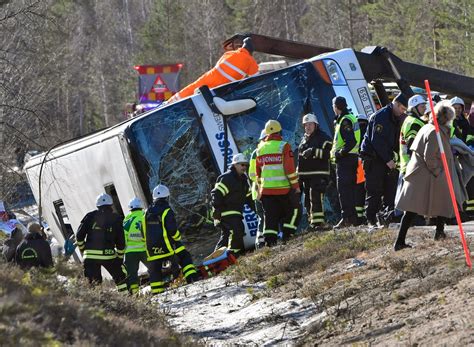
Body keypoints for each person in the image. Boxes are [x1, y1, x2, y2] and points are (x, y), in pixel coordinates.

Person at [394, 101, 467, 250]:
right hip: (427, 176)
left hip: (424, 176)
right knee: (413, 209)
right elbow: (429, 157)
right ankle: (400, 242)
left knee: (441, 203)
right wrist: (438, 172)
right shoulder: (435, 132)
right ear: (445, 118)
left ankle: (438, 233)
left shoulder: (430, 128)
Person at [360, 93, 408, 227]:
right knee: (374, 190)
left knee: (389, 189)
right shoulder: (381, 117)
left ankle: (386, 217)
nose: (403, 112)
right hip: (373, 158)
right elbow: (377, 141)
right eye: (402, 109)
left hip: (384, 158)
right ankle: (370, 220)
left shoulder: (395, 117)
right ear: (396, 104)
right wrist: (388, 160)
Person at [144, 184, 199, 295]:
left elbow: (143, 230)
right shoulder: (167, 210)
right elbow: (172, 230)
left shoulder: (146, 212)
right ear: (167, 197)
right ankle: (192, 279)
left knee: (155, 268)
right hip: (168, 247)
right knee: (185, 256)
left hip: (152, 249)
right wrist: (177, 238)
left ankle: (157, 291)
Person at [168, 37, 258, 103]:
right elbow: (256, 78)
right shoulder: (251, 61)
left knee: (193, 88)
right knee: (206, 101)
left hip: (211, 76)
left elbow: (219, 62)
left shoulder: (231, 53)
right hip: (224, 88)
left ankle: (171, 101)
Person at [256, 119, 300, 246]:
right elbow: (290, 170)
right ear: (280, 131)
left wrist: (260, 190)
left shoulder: (260, 148)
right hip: (283, 189)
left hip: (266, 191)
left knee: (270, 217)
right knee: (292, 212)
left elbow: (258, 174)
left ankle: (270, 243)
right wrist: (295, 187)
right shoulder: (284, 146)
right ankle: (287, 235)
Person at [76, 193, 128, 293]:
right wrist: (120, 258)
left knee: (94, 284)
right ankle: (127, 301)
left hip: (90, 256)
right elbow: (121, 241)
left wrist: (84, 250)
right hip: (108, 255)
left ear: (97, 205)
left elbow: (79, 236)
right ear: (111, 205)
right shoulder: (116, 219)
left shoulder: (90, 216)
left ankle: (99, 306)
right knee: (120, 278)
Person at [211, 153, 253, 255]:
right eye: (242, 164)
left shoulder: (243, 180)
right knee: (236, 230)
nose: (244, 167)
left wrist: (258, 209)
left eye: (246, 165)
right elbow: (216, 193)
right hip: (225, 211)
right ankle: (233, 255)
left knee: (226, 235)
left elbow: (249, 198)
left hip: (235, 212)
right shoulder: (227, 178)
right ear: (235, 165)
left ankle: (217, 259)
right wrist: (217, 209)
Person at [297, 113, 332, 230]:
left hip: (319, 173)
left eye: (310, 124)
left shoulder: (323, 137)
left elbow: (329, 154)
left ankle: (319, 223)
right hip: (305, 176)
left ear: (316, 125)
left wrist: (314, 151)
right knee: (307, 200)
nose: (307, 127)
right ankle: (313, 223)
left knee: (316, 197)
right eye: (305, 125)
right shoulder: (303, 139)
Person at [331, 96, 360, 228]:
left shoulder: (344, 120)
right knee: (349, 190)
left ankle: (347, 218)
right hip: (351, 159)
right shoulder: (347, 118)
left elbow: (351, 141)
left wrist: (340, 153)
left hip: (346, 160)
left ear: (336, 107)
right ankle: (352, 218)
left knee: (344, 190)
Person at [123, 197, 150, 295]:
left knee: (131, 274)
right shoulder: (145, 215)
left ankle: (135, 293)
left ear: (130, 208)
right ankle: (158, 286)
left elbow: (124, 237)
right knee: (153, 268)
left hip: (130, 252)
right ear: (141, 207)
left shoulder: (127, 219)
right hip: (145, 249)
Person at [248, 130, 267, 248]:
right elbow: (252, 174)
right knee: (265, 217)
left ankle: (260, 242)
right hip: (262, 192)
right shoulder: (257, 153)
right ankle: (260, 242)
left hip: (259, 192)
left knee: (263, 217)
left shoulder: (256, 153)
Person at [355, 114, 369, 224]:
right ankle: (367, 214)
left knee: (359, 192)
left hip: (357, 167)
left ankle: (360, 217)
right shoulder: (369, 132)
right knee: (368, 191)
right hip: (368, 166)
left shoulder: (355, 133)